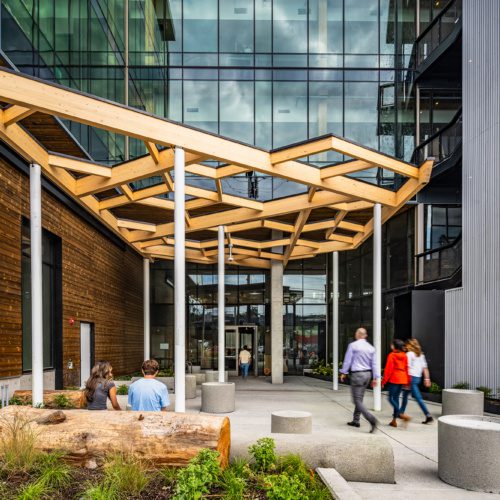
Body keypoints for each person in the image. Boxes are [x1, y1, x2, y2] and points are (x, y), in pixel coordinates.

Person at [340, 328, 379, 433]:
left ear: (358, 335)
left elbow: (348, 360)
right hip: (368, 375)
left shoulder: (353, 345)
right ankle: (356, 420)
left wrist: (344, 372)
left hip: (357, 375)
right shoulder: (371, 348)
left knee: (356, 400)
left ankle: (371, 419)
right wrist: (375, 377)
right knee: (360, 399)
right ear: (365, 335)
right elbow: (374, 363)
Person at [399, 338, 434, 424]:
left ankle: (428, 415)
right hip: (417, 378)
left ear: (410, 345)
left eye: (407, 345)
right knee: (405, 395)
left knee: (418, 398)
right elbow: (425, 368)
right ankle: (400, 413)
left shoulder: (409, 354)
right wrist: (427, 379)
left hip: (411, 378)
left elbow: (406, 368)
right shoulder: (421, 355)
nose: (406, 346)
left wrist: (406, 380)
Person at [381, 339, 410, 427]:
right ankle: (394, 421)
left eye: (392, 345)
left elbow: (388, 370)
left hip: (395, 378)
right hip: (402, 378)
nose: (391, 346)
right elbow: (406, 368)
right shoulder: (405, 355)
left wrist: (384, 381)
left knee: (390, 398)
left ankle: (401, 414)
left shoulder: (392, 355)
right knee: (396, 398)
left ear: (395, 346)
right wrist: (407, 381)